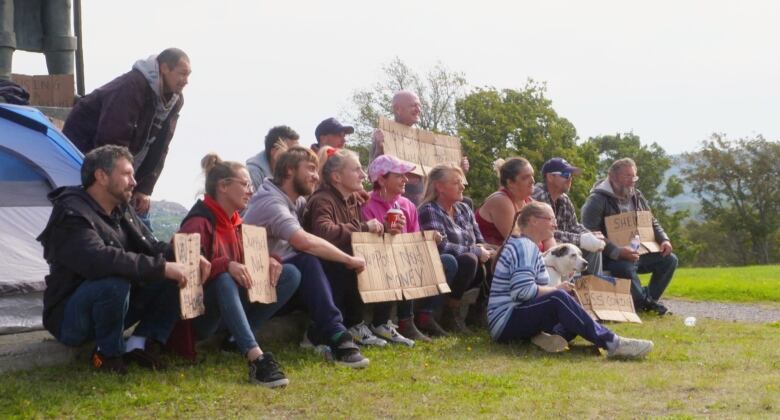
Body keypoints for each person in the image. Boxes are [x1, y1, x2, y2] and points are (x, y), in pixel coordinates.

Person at [37, 145, 209, 374]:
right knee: (115, 281)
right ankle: (107, 355)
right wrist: (163, 267)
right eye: (127, 174)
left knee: (177, 272)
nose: (134, 181)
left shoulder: (121, 209)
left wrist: (185, 254)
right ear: (101, 176)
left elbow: (149, 247)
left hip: (112, 306)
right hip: (70, 317)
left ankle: (140, 345)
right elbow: (99, 260)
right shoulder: (71, 213)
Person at [176, 154, 301, 388]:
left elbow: (249, 262)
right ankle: (257, 358)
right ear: (223, 186)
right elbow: (186, 270)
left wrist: (271, 260)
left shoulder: (236, 223)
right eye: (244, 184)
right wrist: (225, 265)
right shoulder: (197, 223)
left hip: (231, 310)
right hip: (202, 316)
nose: (250, 191)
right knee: (224, 278)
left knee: (290, 274)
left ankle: (238, 337)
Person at [243, 146, 370, 368]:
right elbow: (304, 241)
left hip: (279, 282)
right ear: (290, 170)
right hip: (255, 291)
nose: (316, 176)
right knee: (308, 260)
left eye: (317, 170)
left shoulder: (295, 200)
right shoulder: (272, 203)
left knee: (326, 262)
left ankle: (321, 333)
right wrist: (349, 259)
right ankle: (337, 335)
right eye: (311, 169)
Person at [488, 201, 654, 359]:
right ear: (533, 221)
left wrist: (560, 290)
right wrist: (556, 290)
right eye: (551, 219)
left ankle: (547, 340)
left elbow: (533, 290)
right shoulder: (524, 246)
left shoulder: (528, 245)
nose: (555, 224)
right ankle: (612, 342)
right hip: (505, 323)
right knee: (559, 298)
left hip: (515, 318)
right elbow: (523, 292)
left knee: (572, 302)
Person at [63, 48, 191, 228]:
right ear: (164, 68)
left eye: (188, 75)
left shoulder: (174, 101)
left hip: (125, 165)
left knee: (138, 223)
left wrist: (144, 188)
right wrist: (114, 186)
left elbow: (161, 147)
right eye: (182, 74)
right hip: (85, 154)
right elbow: (112, 138)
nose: (186, 81)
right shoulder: (132, 86)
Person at [363, 154, 457, 342]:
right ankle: (391, 321)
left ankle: (422, 316)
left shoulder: (407, 205)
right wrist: (386, 231)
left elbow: (414, 241)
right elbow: (365, 245)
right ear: (382, 179)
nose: (405, 179)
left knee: (447, 261)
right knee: (397, 263)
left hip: (405, 259)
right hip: (379, 262)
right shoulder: (366, 205)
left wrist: (430, 239)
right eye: (399, 175)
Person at [301, 147, 387, 347]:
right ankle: (316, 332)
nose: (363, 175)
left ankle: (361, 324)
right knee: (346, 263)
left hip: (337, 267)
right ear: (337, 176)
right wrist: (364, 227)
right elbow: (324, 232)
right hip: (317, 270)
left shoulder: (350, 200)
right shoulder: (323, 199)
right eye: (356, 170)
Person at [581, 158, 678, 315]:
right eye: (628, 176)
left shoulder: (637, 196)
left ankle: (647, 301)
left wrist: (664, 239)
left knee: (670, 260)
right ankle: (644, 304)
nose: (632, 181)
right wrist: (617, 251)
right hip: (610, 256)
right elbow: (589, 232)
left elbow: (651, 220)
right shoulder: (596, 200)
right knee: (624, 267)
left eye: (634, 176)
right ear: (612, 176)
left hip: (639, 251)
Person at [418, 164, 493, 333]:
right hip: (445, 269)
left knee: (494, 258)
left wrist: (488, 251)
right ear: (440, 187)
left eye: (462, 182)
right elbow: (442, 246)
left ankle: (478, 311)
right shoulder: (429, 210)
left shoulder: (464, 208)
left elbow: (479, 239)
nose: (462, 187)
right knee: (469, 258)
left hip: (469, 272)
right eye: (456, 182)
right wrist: (475, 251)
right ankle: (450, 311)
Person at [370, 90, 469, 204]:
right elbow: (372, 175)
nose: (418, 109)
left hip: (424, 200)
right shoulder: (382, 136)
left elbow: (438, 177)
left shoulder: (425, 140)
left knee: (466, 202)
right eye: (413, 106)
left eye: (419, 106)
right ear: (398, 109)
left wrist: (459, 169)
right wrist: (379, 148)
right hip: (397, 202)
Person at [532, 157, 606, 275]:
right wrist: (581, 240)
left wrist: (589, 236)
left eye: (571, 176)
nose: (570, 179)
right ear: (550, 177)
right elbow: (546, 232)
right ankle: (581, 289)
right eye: (566, 175)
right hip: (542, 250)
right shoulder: (538, 194)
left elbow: (573, 226)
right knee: (578, 251)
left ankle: (590, 289)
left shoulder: (564, 199)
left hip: (560, 247)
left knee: (593, 248)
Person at [476, 158, 552, 250]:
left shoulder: (530, 202)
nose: (532, 181)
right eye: (525, 177)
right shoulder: (501, 201)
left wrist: (551, 256)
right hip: (492, 261)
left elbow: (548, 236)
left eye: (532, 175)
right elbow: (518, 243)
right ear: (510, 183)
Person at [246, 125, 300, 193]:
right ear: (275, 152)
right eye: (293, 152)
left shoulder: (290, 171)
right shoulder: (254, 173)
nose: (298, 157)